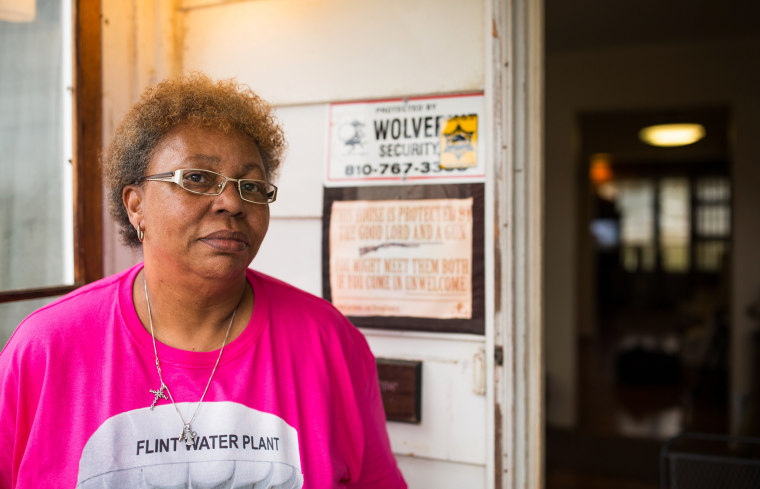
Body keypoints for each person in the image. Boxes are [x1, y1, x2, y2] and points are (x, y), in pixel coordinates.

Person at [0, 73, 407, 489]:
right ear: (136, 205)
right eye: (196, 178)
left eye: (251, 186)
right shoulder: (47, 348)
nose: (231, 202)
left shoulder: (327, 341)